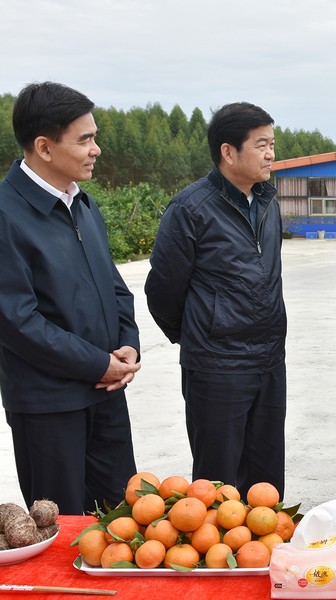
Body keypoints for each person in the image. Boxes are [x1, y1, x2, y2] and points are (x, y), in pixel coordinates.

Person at [0, 82, 141, 514]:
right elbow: (17, 322)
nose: (96, 149)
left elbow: (115, 286)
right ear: (44, 146)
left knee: (124, 522)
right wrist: (97, 363)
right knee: (61, 530)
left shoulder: (84, 205)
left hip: (107, 392)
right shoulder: (6, 214)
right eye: (85, 139)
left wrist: (127, 344)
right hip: (49, 404)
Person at [145, 102, 287, 497]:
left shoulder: (267, 202)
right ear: (229, 151)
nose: (271, 153)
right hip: (217, 367)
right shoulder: (190, 209)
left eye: (272, 144)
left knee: (266, 482)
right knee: (217, 486)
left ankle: (267, 557)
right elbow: (162, 291)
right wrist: (200, 331)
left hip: (270, 360)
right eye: (261, 145)